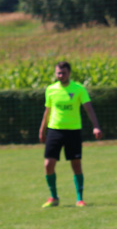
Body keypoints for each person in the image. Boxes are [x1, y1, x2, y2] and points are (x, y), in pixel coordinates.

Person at [38, 61, 102, 207]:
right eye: (58, 73)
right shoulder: (51, 89)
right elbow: (47, 111)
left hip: (73, 131)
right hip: (54, 130)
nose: (61, 75)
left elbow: (89, 108)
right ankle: (53, 197)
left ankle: (79, 198)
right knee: (48, 164)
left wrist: (96, 126)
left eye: (64, 73)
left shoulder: (79, 89)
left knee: (76, 164)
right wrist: (42, 130)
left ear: (69, 73)